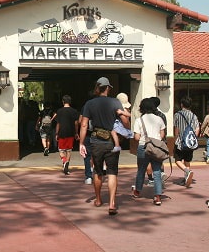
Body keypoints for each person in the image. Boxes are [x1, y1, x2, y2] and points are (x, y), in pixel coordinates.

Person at [79, 77, 127, 215]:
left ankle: (99, 199)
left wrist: (81, 143)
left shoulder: (90, 104)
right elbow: (124, 120)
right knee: (112, 172)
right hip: (112, 141)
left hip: (96, 141)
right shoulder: (115, 102)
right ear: (108, 88)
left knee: (98, 172)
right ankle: (112, 203)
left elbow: (83, 124)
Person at [132, 98, 166, 205]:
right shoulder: (159, 119)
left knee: (141, 170)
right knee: (157, 171)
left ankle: (137, 191)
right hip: (156, 147)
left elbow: (137, 137)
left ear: (142, 108)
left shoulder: (139, 120)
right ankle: (157, 196)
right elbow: (162, 135)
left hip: (143, 146)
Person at [173, 96, 199, 187]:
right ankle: (187, 178)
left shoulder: (177, 115)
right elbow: (197, 129)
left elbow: (176, 129)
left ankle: (187, 172)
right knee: (187, 160)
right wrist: (194, 138)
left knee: (177, 160)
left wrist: (175, 139)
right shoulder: (193, 115)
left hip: (180, 141)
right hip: (190, 142)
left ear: (181, 105)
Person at [54, 95, 80, 175]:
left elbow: (58, 123)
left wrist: (56, 133)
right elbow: (76, 123)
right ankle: (67, 165)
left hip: (62, 133)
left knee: (61, 150)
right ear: (70, 102)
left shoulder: (59, 111)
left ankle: (64, 161)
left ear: (63, 102)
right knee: (69, 150)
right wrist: (76, 133)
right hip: (71, 133)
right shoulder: (74, 111)